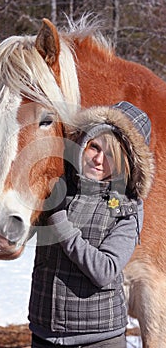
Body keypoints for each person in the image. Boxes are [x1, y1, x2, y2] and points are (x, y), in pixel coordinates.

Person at [28, 102, 154, 348]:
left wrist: (61, 225)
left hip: (99, 339)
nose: (97, 159)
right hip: (44, 332)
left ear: (124, 162)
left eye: (110, 155)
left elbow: (105, 270)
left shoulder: (126, 207)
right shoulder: (58, 187)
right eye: (94, 147)